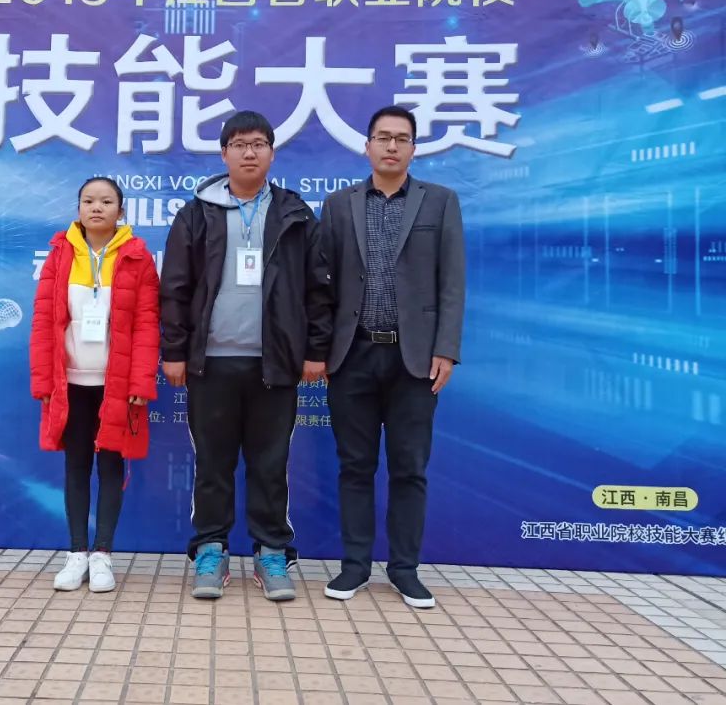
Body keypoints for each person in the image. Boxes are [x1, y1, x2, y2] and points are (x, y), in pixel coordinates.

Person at [160, 110, 331, 601]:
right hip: (211, 361)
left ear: (272, 153)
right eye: (239, 145)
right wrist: (175, 350)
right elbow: (176, 287)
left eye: (258, 144)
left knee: (270, 464)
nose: (249, 153)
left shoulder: (295, 213)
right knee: (213, 464)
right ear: (224, 154)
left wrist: (315, 349)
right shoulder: (197, 214)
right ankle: (211, 550)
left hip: (274, 363)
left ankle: (272, 552)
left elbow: (318, 288)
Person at [319, 105, 466, 608]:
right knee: (354, 466)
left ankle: (405, 569)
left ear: (413, 149)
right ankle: (355, 566)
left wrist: (446, 348)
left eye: (401, 138)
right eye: (383, 137)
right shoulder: (339, 205)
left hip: (415, 358)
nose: (391, 146)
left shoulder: (440, 202)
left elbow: (452, 282)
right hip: (352, 355)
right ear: (367, 146)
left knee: (409, 468)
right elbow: (321, 284)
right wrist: (321, 350)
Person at [30, 177, 160, 593]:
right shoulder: (60, 254)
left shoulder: (137, 257)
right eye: (88, 201)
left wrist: (141, 380)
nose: (97, 208)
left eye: (106, 201)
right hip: (69, 383)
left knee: (111, 467)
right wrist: (43, 380)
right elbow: (43, 322)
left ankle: (103, 554)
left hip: (116, 384)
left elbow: (147, 325)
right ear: (79, 208)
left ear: (121, 211)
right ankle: (76, 554)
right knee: (76, 466)